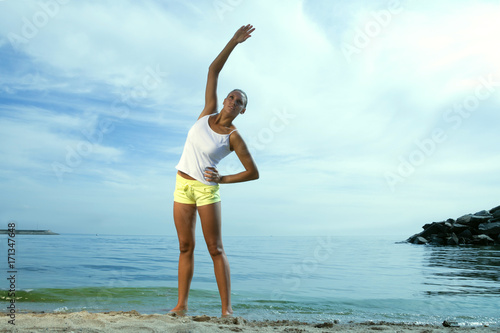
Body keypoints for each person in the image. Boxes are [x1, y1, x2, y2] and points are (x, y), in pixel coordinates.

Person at [171, 24, 259, 317]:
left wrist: (222, 179)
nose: (234, 102)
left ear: (242, 111)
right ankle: (181, 306)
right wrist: (233, 42)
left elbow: (252, 172)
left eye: (240, 102)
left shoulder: (233, 136)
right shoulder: (207, 110)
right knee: (185, 246)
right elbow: (212, 71)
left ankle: (227, 310)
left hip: (206, 191)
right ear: (224, 100)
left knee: (215, 249)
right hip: (181, 185)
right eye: (232, 97)